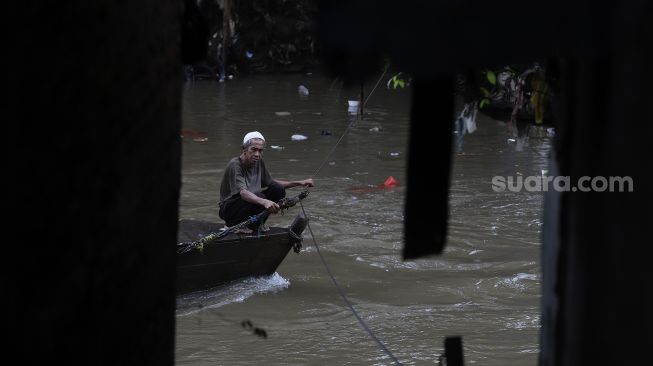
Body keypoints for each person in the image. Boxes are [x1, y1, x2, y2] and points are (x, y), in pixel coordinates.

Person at [218, 131, 314, 230]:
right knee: (260, 196)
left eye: (260, 151)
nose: (257, 154)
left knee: (278, 189)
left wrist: (299, 183)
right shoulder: (235, 164)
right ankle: (233, 225)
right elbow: (243, 193)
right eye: (254, 149)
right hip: (228, 210)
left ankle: (256, 225)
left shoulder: (258, 162)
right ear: (244, 149)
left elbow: (272, 183)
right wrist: (264, 202)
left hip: (248, 203)